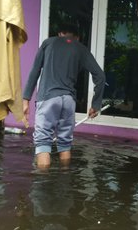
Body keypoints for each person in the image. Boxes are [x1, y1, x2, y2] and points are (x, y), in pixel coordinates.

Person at [22, 23, 105, 168]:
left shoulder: (48, 43)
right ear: (77, 37)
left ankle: (42, 185)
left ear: (60, 33)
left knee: (43, 143)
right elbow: (100, 76)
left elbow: (35, 71)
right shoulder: (80, 48)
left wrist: (26, 99)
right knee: (65, 143)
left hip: (48, 98)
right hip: (68, 100)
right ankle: (64, 179)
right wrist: (95, 105)